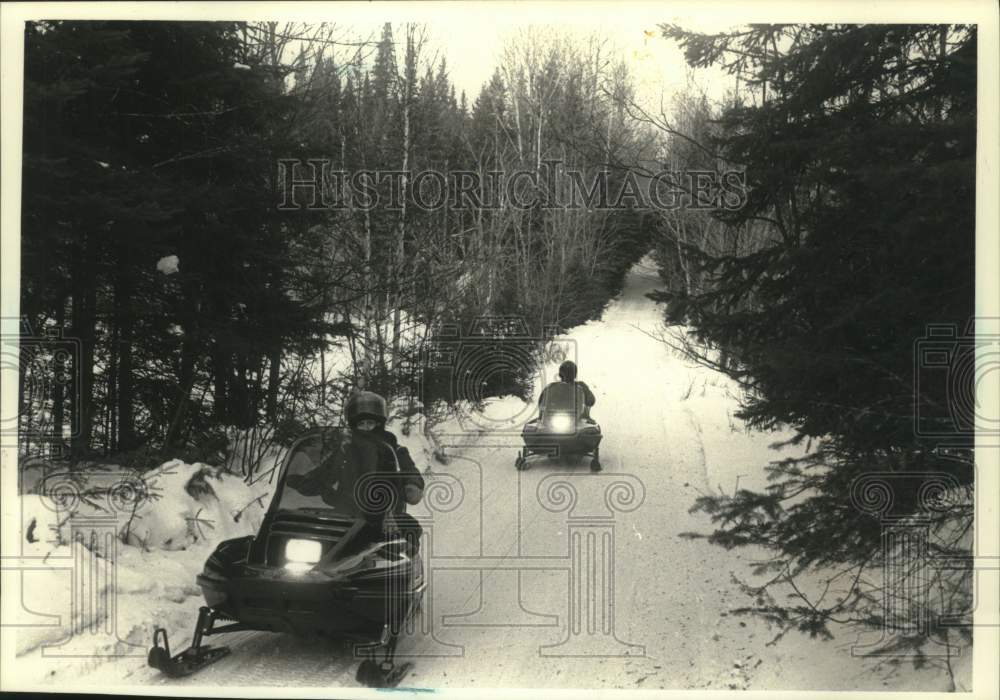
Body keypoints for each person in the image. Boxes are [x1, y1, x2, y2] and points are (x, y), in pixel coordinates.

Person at [345, 390, 425, 553]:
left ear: (379, 424)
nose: (366, 428)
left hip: (384, 516)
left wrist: (412, 484)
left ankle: (407, 573)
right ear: (354, 426)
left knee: (408, 530)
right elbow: (325, 470)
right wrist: (305, 479)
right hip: (346, 514)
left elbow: (409, 468)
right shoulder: (345, 451)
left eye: (370, 423)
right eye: (361, 424)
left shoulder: (393, 449)